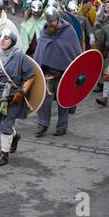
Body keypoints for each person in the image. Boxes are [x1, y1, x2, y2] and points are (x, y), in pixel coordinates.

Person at [0, 29, 35, 166]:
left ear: (12, 42)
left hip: (13, 95)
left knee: (6, 124)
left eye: (7, 38)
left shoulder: (20, 56)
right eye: (1, 37)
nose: (3, 40)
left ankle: (4, 155)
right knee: (0, 122)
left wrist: (22, 92)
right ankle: (15, 136)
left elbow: (31, 76)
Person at [33, 7, 82, 137]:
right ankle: (43, 124)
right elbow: (40, 52)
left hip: (64, 74)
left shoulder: (68, 31)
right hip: (48, 74)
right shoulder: (44, 31)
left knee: (63, 100)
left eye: (53, 22)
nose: (51, 24)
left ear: (58, 19)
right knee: (44, 100)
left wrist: (75, 71)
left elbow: (76, 52)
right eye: (49, 22)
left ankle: (62, 126)